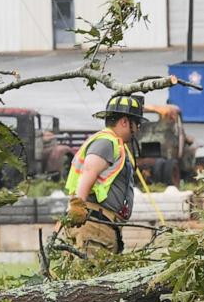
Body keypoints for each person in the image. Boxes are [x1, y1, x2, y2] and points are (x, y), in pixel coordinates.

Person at [62, 94, 145, 255]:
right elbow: (89, 170)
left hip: (99, 224)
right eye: (137, 124)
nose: (137, 129)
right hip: (95, 225)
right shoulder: (107, 142)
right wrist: (77, 205)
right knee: (92, 277)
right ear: (125, 122)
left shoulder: (111, 143)